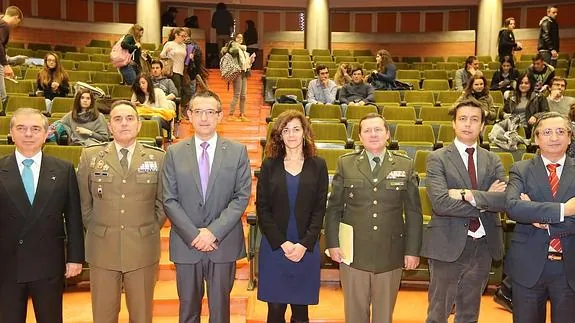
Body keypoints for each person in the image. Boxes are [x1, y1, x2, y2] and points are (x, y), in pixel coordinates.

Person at [161, 90, 252, 323]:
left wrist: (213, 232)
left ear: (220, 116)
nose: (204, 118)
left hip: (222, 244)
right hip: (186, 243)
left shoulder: (237, 151)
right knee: (188, 310)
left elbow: (241, 197)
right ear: (189, 115)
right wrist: (194, 234)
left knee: (220, 312)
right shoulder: (173, 153)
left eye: (210, 112)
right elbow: (169, 199)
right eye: (198, 112)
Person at [325, 113, 422, 323]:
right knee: (354, 316)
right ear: (360, 137)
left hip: (390, 253)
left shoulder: (405, 165)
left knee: (383, 317)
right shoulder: (346, 164)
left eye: (378, 129)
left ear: (388, 133)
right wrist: (332, 243)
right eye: (367, 130)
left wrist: (412, 251)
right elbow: (333, 208)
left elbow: (414, 212)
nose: (373, 134)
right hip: (354, 254)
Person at [77, 101, 166, 323]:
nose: (124, 123)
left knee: (142, 315)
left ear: (138, 125)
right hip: (103, 248)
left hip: (142, 247)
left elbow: (163, 203)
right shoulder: (91, 157)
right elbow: (83, 203)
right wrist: (99, 229)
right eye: (118, 119)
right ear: (109, 126)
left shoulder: (158, 158)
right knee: (103, 315)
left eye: (129, 118)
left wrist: (149, 228)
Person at [422, 99, 507, 323]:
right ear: (453, 123)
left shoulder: (493, 159)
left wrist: (465, 194)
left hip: (483, 246)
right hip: (447, 244)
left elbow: (504, 201)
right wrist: (485, 197)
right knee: (438, 313)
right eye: (462, 119)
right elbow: (440, 203)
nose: (468, 124)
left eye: (474, 119)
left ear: (482, 127)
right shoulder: (437, 158)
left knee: (469, 314)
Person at [0, 108, 84, 323]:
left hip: (48, 263)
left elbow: (73, 217)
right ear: (11, 132)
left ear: (46, 134)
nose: (28, 134)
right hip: (7, 263)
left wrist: (75, 258)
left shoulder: (63, 170)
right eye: (21, 128)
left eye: (35, 128)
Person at [256, 110, 328, 323]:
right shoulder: (269, 165)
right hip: (275, 247)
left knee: (301, 312)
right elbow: (263, 208)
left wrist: (304, 244)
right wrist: (283, 243)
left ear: (305, 132)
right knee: (275, 311)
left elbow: (319, 209)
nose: (291, 134)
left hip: (306, 248)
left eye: (296, 129)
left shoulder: (318, 165)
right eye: (286, 130)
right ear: (279, 135)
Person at [505, 111, 575, 323]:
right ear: (536, 138)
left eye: (560, 131)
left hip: (569, 268)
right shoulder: (521, 169)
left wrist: (538, 216)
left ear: (570, 137)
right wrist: (565, 210)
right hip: (528, 265)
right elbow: (513, 207)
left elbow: (526, 211)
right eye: (547, 132)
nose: (554, 137)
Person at [502, 72, 549, 138]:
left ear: (531, 84)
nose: (523, 85)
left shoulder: (539, 97)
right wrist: (504, 115)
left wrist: (536, 116)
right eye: (521, 83)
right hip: (511, 127)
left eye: (526, 83)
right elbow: (503, 111)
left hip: (529, 128)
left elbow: (546, 113)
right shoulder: (511, 97)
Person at [221, 33, 254, 122]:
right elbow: (233, 50)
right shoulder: (234, 47)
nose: (240, 39)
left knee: (243, 95)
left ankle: (242, 114)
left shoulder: (244, 51)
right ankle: (231, 114)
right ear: (235, 38)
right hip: (238, 73)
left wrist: (250, 61)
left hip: (244, 72)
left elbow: (245, 63)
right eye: (238, 37)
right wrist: (235, 44)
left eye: (241, 38)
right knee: (237, 94)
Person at [131, 73, 175, 138]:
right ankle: (143, 140)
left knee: (155, 118)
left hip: (161, 118)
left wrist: (150, 109)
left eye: (143, 83)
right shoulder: (136, 94)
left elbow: (165, 110)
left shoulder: (159, 92)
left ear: (148, 83)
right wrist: (133, 106)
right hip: (143, 116)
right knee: (139, 119)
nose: (141, 86)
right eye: (139, 84)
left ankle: (158, 142)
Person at [160, 27, 188, 114]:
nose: (184, 38)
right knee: (176, 91)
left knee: (180, 91)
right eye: (182, 36)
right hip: (172, 70)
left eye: (185, 36)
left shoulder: (184, 45)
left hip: (181, 70)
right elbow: (161, 55)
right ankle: (176, 113)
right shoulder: (169, 44)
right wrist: (166, 52)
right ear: (176, 35)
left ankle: (177, 112)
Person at [0, 6, 22, 105]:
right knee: (2, 97)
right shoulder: (5, 25)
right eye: (18, 22)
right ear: (16, 17)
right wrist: (6, 65)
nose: (16, 25)